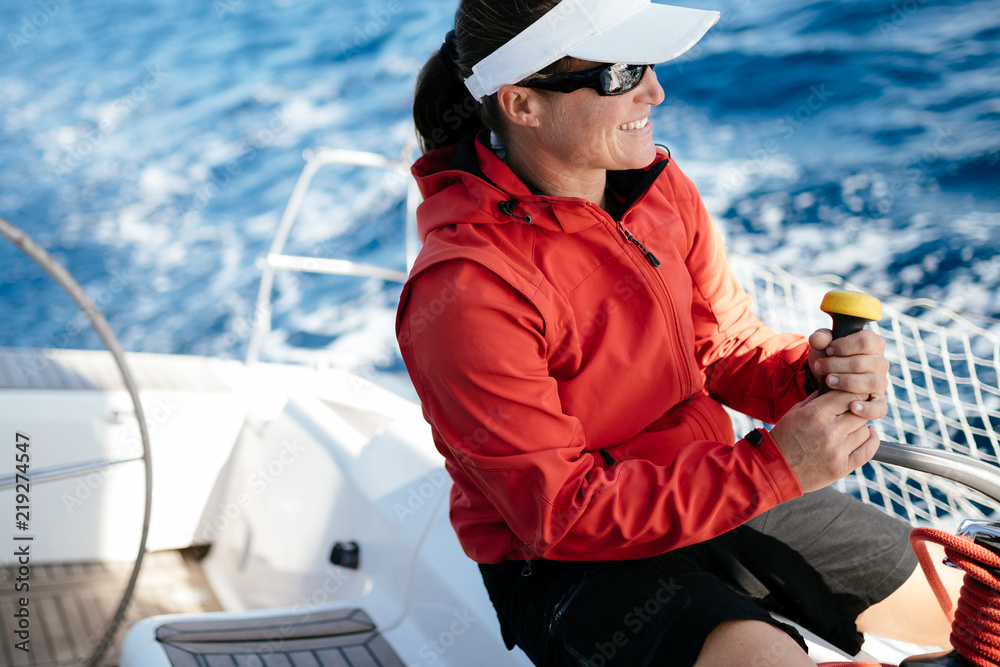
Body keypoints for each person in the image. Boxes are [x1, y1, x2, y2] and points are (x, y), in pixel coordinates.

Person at [396, 0, 964, 664]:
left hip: (714, 485)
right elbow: (560, 511)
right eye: (620, 73)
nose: (655, 90)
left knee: (982, 613)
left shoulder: (658, 191)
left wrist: (810, 374)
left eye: (649, 63)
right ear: (523, 104)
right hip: (564, 560)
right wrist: (777, 467)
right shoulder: (465, 290)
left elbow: (723, 347)